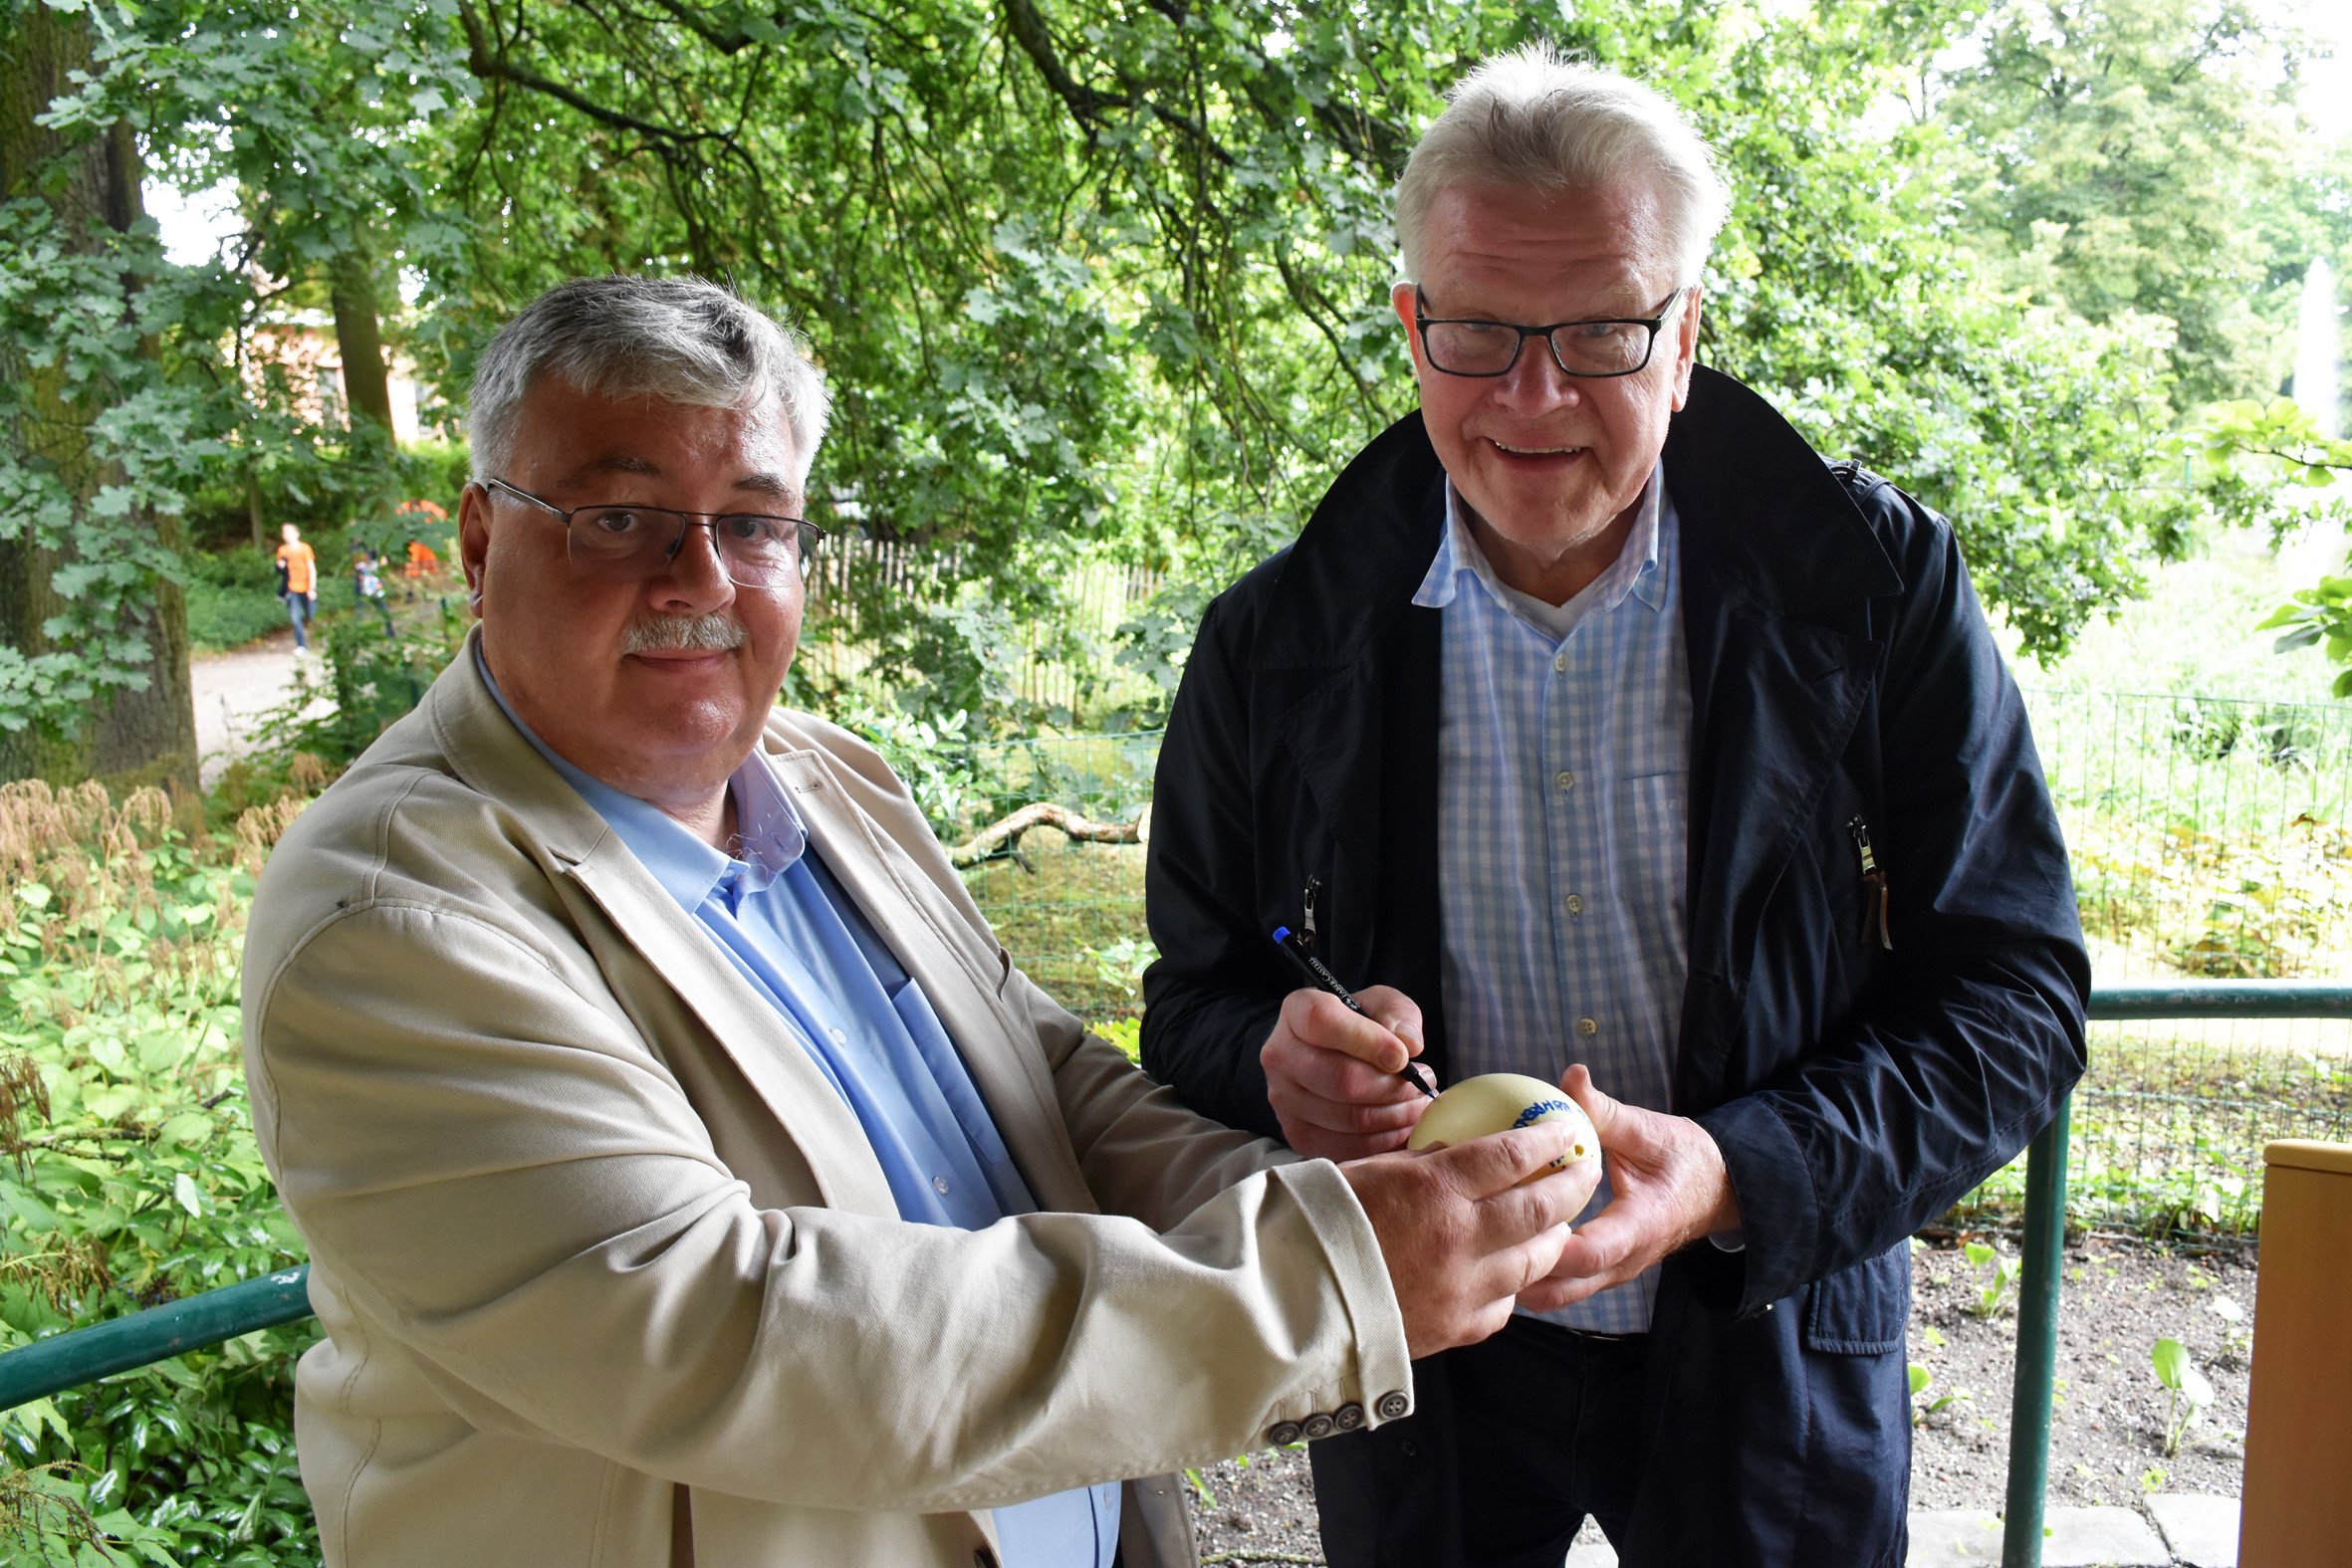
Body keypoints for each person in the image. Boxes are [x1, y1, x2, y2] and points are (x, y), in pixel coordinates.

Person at [240, 276, 1604, 1568]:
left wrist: (1359, 1190)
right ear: (483, 540)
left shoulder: (824, 779)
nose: (697, 577)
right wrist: (1327, 1275)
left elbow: (1047, 1088)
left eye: (754, 520)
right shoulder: (392, 921)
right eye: (616, 516)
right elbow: (742, 1329)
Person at [1139, 47, 2090, 1568]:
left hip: (1763, 1328)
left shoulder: (1870, 588)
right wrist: (1273, 1063)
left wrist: (1734, 1170)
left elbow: (2016, 1004)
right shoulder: (1274, 641)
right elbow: (1191, 996)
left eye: (1597, 330)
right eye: (1475, 332)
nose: (1530, 395)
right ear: (1409, 327)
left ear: (1683, 335)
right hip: (1424, 1358)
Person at [274, 523, 318, 653]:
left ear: (297, 533)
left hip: (307, 588)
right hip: (291, 588)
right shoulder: (282, 550)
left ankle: (321, 642)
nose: (287, 535)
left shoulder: (305, 548)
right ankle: (301, 646)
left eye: (290, 532)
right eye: (284, 532)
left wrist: (312, 588)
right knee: (295, 618)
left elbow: (311, 569)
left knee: (313, 617)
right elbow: (280, 571)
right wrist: (279, 566)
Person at [352, 546, 394, 634]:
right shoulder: (357, 547)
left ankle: (390, 631)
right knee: (361, 610)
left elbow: (383, 561)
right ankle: (358, 632)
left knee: (379, 608)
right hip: (365, 587)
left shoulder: (373, 547)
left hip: (373, 586)